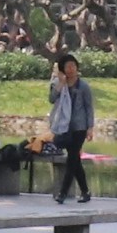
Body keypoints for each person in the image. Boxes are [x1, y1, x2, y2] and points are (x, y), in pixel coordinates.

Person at [44, 52, 97, 204]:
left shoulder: (84, 86)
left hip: (79, 127)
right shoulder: (57, 84)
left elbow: (89, 107)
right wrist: (60, 83)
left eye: (73, 66)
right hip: (63, 126)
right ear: (62, 69)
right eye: (67, 67)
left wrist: (90, 127)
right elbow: (52, 99)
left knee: (72, 158)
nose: (71, 69)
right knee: (75, 160)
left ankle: (63, 193)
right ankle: (85, 191)